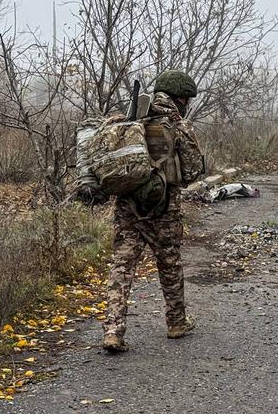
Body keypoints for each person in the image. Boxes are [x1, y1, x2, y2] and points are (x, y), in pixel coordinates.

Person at [102, 70, 205, 353]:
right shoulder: (178, 125)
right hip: (164, 209)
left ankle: (113, 331)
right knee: (169, 263)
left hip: (127, 208)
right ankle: (176, 322)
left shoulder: (130, 118)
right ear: (181, 98)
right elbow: (192, 173)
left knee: (122, 266)